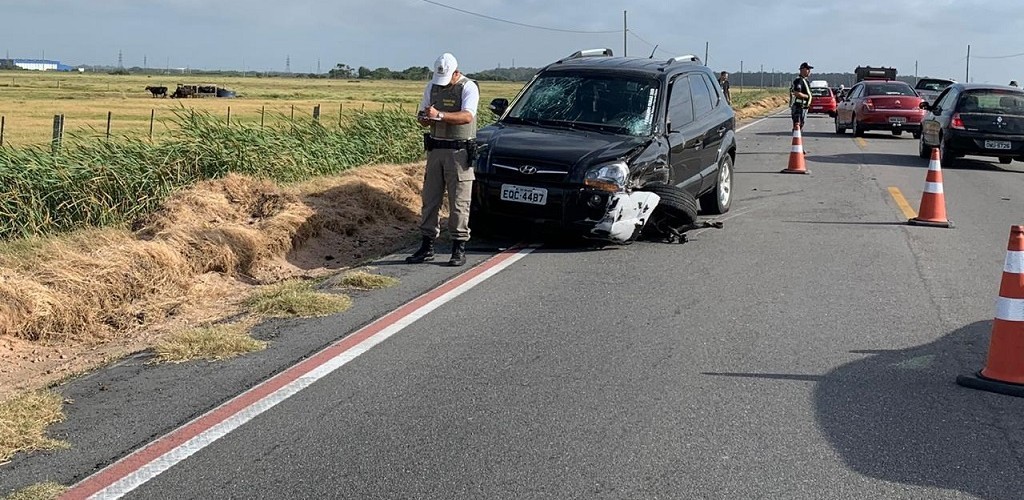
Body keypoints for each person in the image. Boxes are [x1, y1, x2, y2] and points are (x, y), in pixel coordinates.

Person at [406, 52, 480, 267]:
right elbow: (423, 117)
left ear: (456, 72)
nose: (443, 83)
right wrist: (425, 118)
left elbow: (467, 116)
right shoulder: (432, 87)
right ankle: (427, 245)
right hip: (436, 149)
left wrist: (439, 115)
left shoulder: (468, 87)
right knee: (430, 200)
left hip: (459, 152)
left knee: (459, 202)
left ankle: (458, 247)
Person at [790, 62, 813, 131]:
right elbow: (797, 93)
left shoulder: (805, 80)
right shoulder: (799, 80)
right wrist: (807, 96)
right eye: (808, 69)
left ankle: (798, 137)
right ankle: (796, 138)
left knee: (800, 125)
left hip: (803, 107)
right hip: (799, 107)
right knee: (798, 125)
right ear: (802, 70)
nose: (809, 71)